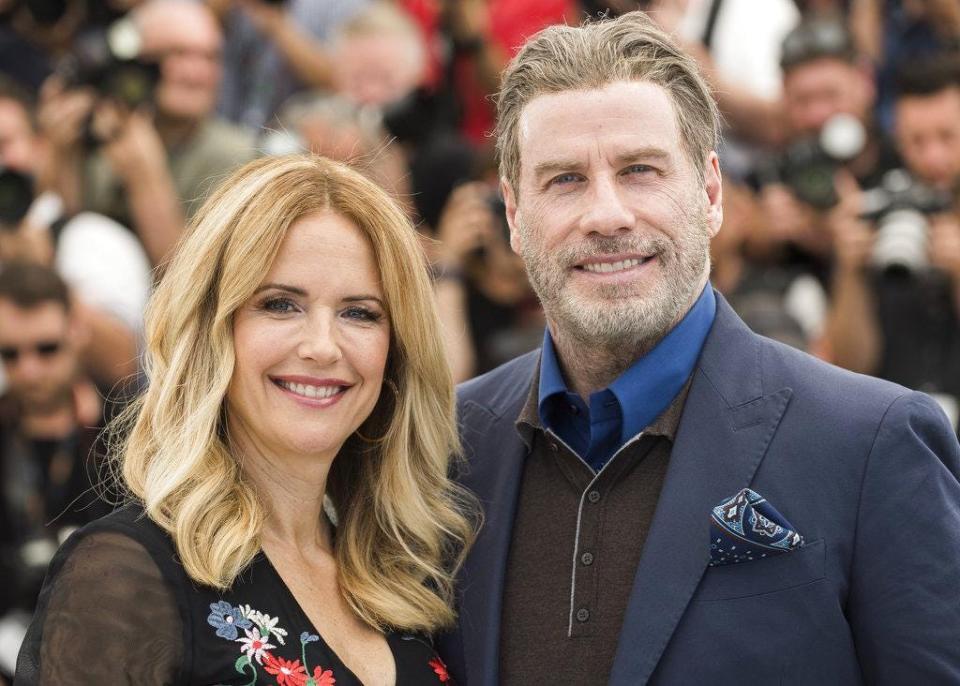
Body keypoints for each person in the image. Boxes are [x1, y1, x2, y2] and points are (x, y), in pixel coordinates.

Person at [438, 11, 960, 685]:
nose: (607, 214)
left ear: (711, 191)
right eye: (564, 179)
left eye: (640, 170)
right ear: (513, 213)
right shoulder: (448, 447)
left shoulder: (871, 443)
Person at [16, 155, 475, 685]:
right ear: (213, 331)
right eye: (280, 304)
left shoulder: (402, 576)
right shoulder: (126, 573)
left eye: (360, 313)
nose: (323, 347)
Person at [0, 262, 109, 680]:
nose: (28, 370)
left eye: (46, 349)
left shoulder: (123, 431)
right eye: (9, 354)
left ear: (75, 333)